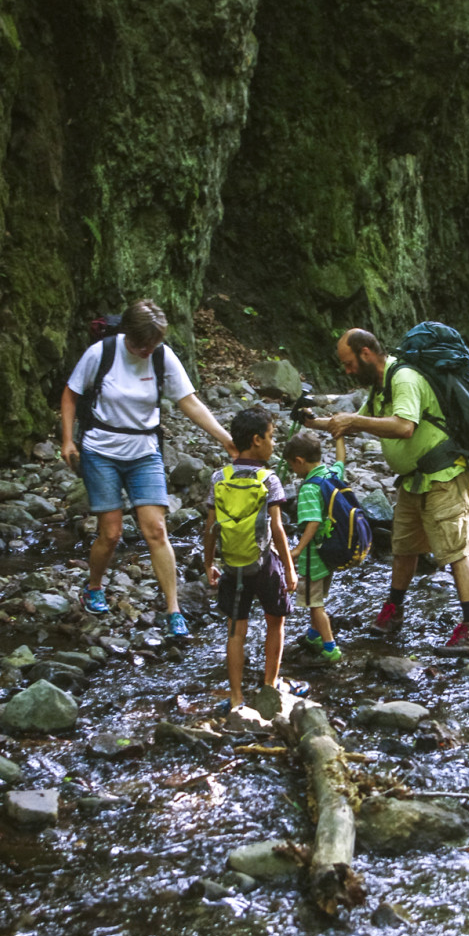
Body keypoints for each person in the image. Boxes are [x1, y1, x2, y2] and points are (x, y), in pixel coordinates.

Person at [304, 327, 469, 656]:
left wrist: (354, 423)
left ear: (366, 354)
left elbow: (404, 426)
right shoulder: (380, 386)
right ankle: (394, 612)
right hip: (414, 481)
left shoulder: (403, 378)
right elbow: (355, 420)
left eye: (348, 364)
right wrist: (312, 421)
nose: (347, 371)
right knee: (404, 548)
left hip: (444, 475)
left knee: (457, 551)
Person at [61, 299, 234, 637]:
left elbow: (189, 401)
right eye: (142, 345)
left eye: (152, 345)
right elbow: (70, 394)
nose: (146, 351)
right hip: (101, 451)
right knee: (110, 534)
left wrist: (225, 438)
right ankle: (94, 586)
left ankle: (173, 609)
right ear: (128, 335)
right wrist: (68, 441)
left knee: (156, 530)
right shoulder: (101, 354)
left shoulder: (162, 356)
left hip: (145, 452)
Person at [203, 405, 297, 710]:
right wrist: (290, 569)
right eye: (271, 437)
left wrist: (208, 564)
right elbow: (278, 530)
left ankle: (236, 696)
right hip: (265, 564)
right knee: (275, 622)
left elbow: (210, 529)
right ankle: (269, 685)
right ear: (257, 440)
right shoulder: (268, 478)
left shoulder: (220, 477)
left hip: (232, 566)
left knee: (236, 630)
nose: (273, 444)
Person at [284, 427, 349, 665]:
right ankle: (313, 636)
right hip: (331, 552)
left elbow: (312, 522)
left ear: (299, 461)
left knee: (314, 605)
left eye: (292, 465)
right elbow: (341, 460)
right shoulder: (331, 473)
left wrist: (298, 549)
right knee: (318, 597)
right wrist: (339, 436)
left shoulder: (310, 488)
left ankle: (330, 649)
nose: (293, 470)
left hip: (314, 557)